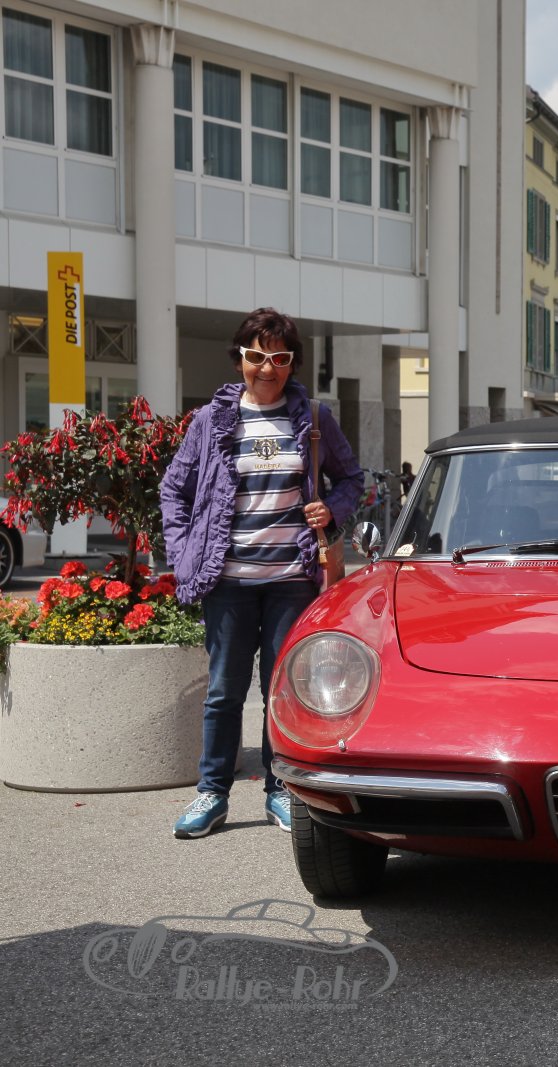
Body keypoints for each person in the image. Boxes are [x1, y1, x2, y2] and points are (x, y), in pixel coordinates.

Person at [159, 308, 363, 839]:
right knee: (224, 692)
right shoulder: (210, 420)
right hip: (227, 582)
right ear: (240, 359)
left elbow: (352, 479)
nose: (267, 368)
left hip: (291, 581)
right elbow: (173, 490)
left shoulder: (314, 418)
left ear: (292, 363)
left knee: (282, 691)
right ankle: (212, 792)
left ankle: (279, 789)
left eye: (279, 357)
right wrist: (183, 553)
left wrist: (332, 509)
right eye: (256, 356)